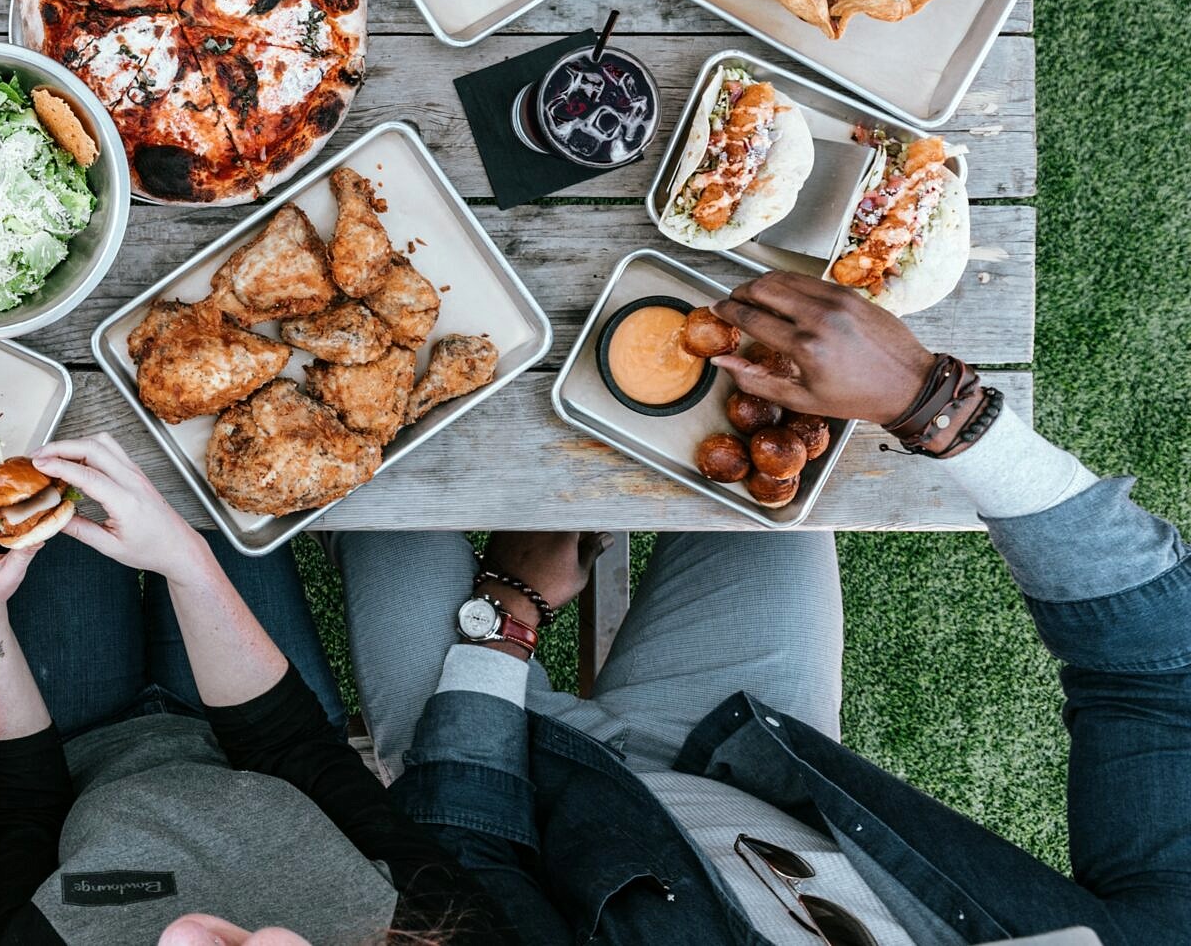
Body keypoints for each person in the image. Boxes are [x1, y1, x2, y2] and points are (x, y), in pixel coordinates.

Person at [338, 272, 1190, 946]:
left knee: (359, 463)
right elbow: (1160, 676)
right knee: (764, 442)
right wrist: (928, 400)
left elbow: (470, 858)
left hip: (506, 788)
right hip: (741, 752)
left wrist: (508, 616)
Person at [0, 434, 514, 946]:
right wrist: (186, 561)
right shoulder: (436, 928)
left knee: (43, 445)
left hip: (71, 748)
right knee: (215, 464)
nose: (182, 934)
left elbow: (23, 807)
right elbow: (293, 748)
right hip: (258, 740)